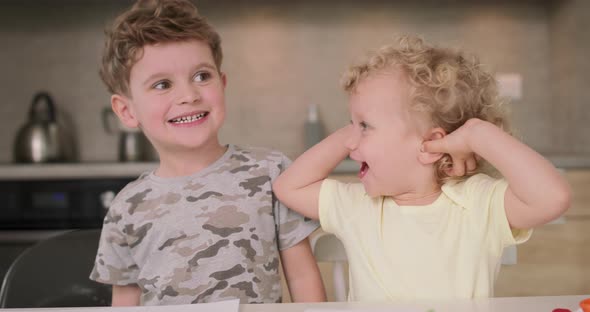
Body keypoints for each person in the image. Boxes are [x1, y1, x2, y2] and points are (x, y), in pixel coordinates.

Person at [273, 36, 571, 301]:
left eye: (365, 126)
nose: (350, 142)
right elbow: (288, 187)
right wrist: (351, 131)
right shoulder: (357, 206)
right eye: (350, 125)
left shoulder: (477, 203)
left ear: (430, 144)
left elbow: (552, 197)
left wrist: (477, 134)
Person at [90, 0, 325, 306]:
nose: (189, 95)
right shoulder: (126, 208)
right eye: (162, 84)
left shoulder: (271, 173)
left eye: (202, 76)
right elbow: (125, 301)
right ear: (126, 110)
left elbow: (303, 278)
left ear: (222, 83)